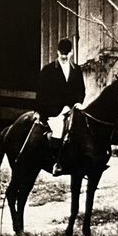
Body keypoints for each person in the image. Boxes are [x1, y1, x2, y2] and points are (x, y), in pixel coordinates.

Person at [35, 38, 86, 175]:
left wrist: (78, 103)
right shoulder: (48, 70)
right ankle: (55, 162)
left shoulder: (77, 70)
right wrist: (43, 110)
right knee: (58, 129)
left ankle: (82, 162)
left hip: (72, 109)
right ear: (57, 52)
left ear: (71, 53)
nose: (64, 56)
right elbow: (41, 93)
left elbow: (81, 90)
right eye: (62, 53)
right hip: (53, 110)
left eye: (67, 53)